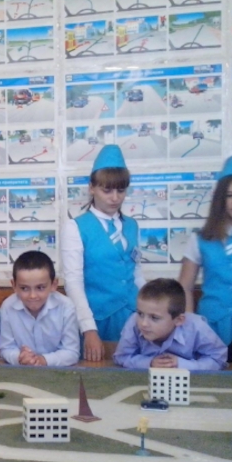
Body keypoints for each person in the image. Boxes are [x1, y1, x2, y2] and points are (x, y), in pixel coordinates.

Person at [61, 144, 144, 361]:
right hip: (98, 320)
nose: (115, 198)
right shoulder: (76, 227)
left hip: (134, 318)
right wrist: (88, 329)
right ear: (92, 188)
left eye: (121, 190)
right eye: (107, 190)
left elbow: (136, 273)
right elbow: (73, 282)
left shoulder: (132, 225)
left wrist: (149, 312)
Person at [179, 154, 232, 357]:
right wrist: (191, 326)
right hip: (210, 329)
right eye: (230, 195)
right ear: (220, 199)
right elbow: (185, 287)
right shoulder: (200, 239)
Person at [113, 278, 227, 371]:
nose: (143, 323)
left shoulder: (197, 327)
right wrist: (149, 363)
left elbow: (219, 359)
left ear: (179, 320)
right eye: (140, 314)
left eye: (154, 318)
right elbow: (121, 357)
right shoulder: (133, 322)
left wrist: (182, 365)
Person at [0, 251, 79, 367]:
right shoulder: (8, 307)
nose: (32, 296)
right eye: (24, 288)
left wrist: (43, 360)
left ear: (54, 285)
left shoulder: (66, 307)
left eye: (40, 288)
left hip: (57, 372)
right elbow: (6, 348)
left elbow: (71, 352)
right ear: (14, 285)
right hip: (22, 370)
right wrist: (20, 357)